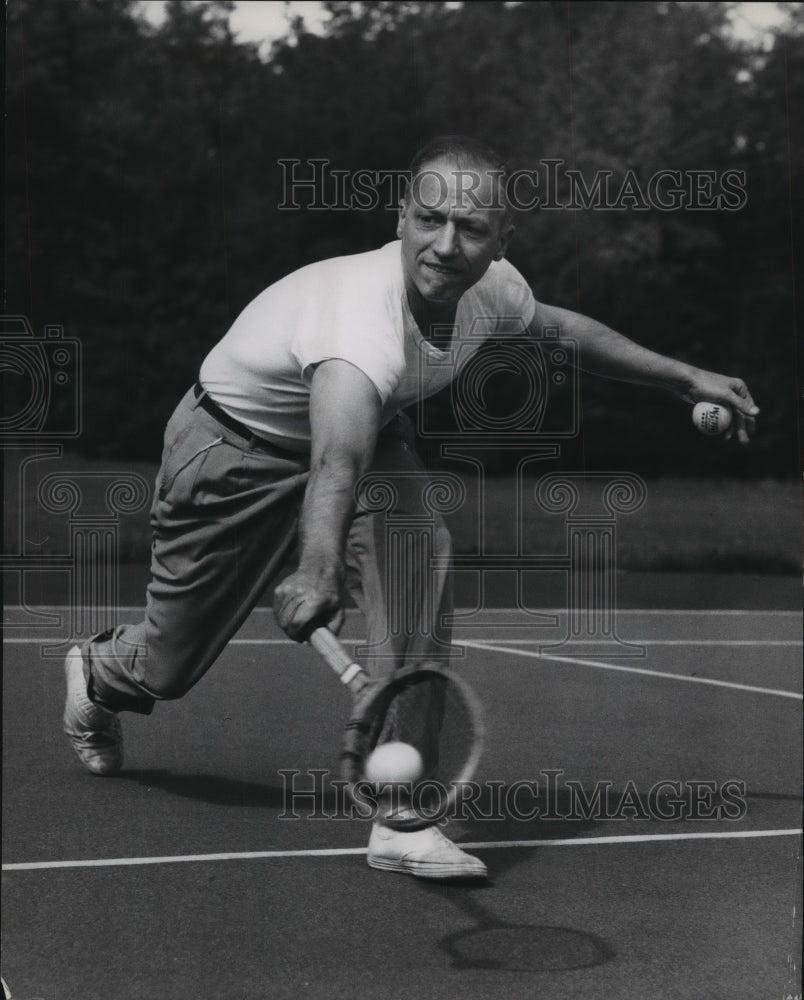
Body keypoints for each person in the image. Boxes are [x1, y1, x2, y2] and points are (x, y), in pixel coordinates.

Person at [64, 136, 758, 880]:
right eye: (430, 220)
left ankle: (405, 813)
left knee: (417, 559)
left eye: (472, 229)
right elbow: (337, 458)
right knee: (167, 667)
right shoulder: (361, 319)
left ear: (502, 241)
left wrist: (684, 378)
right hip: (233, 455)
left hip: (368, 446)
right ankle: (102, 670)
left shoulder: (491, 289)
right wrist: (318, 568)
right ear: (401, 217)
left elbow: (563, 332)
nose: (447, 245)